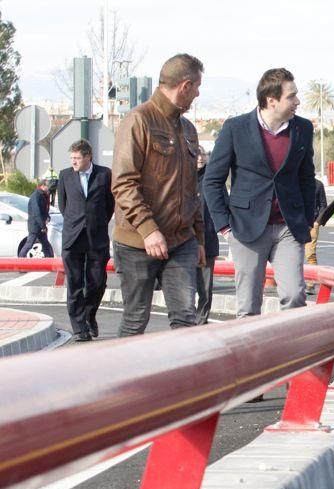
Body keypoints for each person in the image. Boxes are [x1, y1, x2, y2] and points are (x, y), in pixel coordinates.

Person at [204, 68, 316, 317]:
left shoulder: (303, 129)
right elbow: (212, 180)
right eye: (292, 96)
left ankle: (291, 355)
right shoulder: (236, 128)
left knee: (295, 295)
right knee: (248, 305)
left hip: (288, 228)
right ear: (271, 100)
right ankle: (250, 356)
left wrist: (307, 218)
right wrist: (224, 226)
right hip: (246, 229)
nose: (297, 101)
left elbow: (307, 178)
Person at [112, 53, 206, 336]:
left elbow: (192, 190)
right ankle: (125, 381)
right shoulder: (138, 121)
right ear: (185, 85)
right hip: (138, 243)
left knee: (185, 322)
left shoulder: (188, 130)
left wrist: (198, 238)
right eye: (198, 87)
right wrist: (148, 230)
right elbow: (123, 183)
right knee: (135, 321)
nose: (198, 94)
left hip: (181, 242)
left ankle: (180, 382)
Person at [56, 139, 114, 341]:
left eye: (77, 158)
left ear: (88, 156)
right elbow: (63, 206)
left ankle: (89, 315)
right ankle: (79, 327)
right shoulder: (65, 175)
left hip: (96, 237)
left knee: (97, 282)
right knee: (74, 283)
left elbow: (109, 205)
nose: (74, 162)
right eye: (71, 158)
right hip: (73, 238)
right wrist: (77, 223)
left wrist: (95, 222)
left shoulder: (104, 174)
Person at [195, 149, 220, 324]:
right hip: (183, 241)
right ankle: (185, 321)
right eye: (195, 155)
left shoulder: (212, 180)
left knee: (205, 287)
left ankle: (201, 320)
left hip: (208, 240)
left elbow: (222, 205)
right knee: (184, 287)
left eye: (202, 155)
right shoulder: (179, 179)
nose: (199, 158)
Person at [19, 180, 53, 257]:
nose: (49, 188)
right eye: (48, 186)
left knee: (46, 245)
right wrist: (43, 226)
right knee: (29, 244)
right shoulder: (36, 196)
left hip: (40, 225)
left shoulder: (43, 195)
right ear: (42, 186)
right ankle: (19, 261)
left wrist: (47, 217)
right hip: (35, 226)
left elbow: (44, 210)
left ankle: (49, 262)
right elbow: (37, 213)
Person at [305, 177, 328, 267]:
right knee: (291, 254)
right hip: (295, 223)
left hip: (312, 223)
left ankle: (312, 280)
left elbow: (323, 205)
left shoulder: (318, 184)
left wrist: (317, 222)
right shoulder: (294, 182)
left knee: (310, 255)